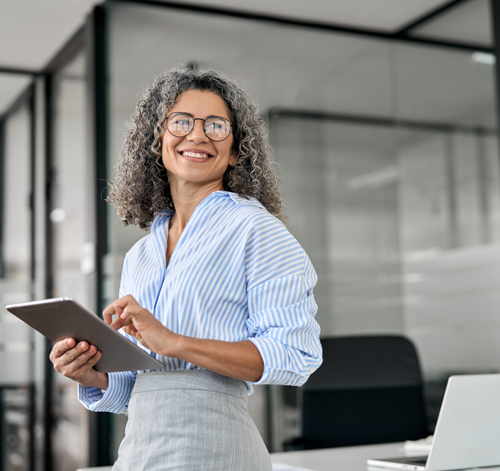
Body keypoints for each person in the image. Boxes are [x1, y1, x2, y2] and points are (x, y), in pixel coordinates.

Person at [49, 66, 322, 470]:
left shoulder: (256, 229)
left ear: (235, 151)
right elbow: (142, 388)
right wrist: (93, 375)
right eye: (181, 122)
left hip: (217, 451)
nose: (197, 135)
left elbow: (295, 354)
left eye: (216, 126)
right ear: (157, 140)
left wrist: (174, 342)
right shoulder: (141, 254)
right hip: (141, 454)